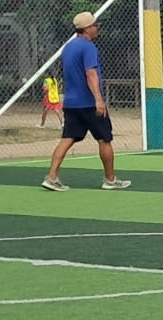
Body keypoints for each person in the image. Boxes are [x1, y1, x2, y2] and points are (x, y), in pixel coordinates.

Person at [42, 11, 130, 191]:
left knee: (67, 139)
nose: (97, 28)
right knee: (104, 139)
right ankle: (110, 180)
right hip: (89, 103)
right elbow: (91, 74)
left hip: (71, 103)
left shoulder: (68, 47)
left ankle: (51, 177)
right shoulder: (89, 47)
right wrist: (99, 99)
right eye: (95, 25)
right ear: (87, 28)